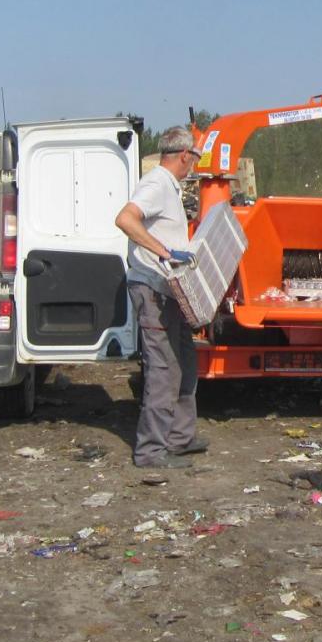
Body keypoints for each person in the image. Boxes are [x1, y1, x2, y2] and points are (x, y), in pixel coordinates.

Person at [114, 126, 208, 469]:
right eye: (195, 157)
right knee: (163, 369)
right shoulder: (156, 184)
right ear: (184, 155)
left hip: (171, 292)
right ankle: (151, 452)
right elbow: (125, 219)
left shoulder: (171, 187)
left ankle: (180, 439)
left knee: (185, 361)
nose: (195, 164)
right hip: (153, 290)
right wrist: (165, 252)